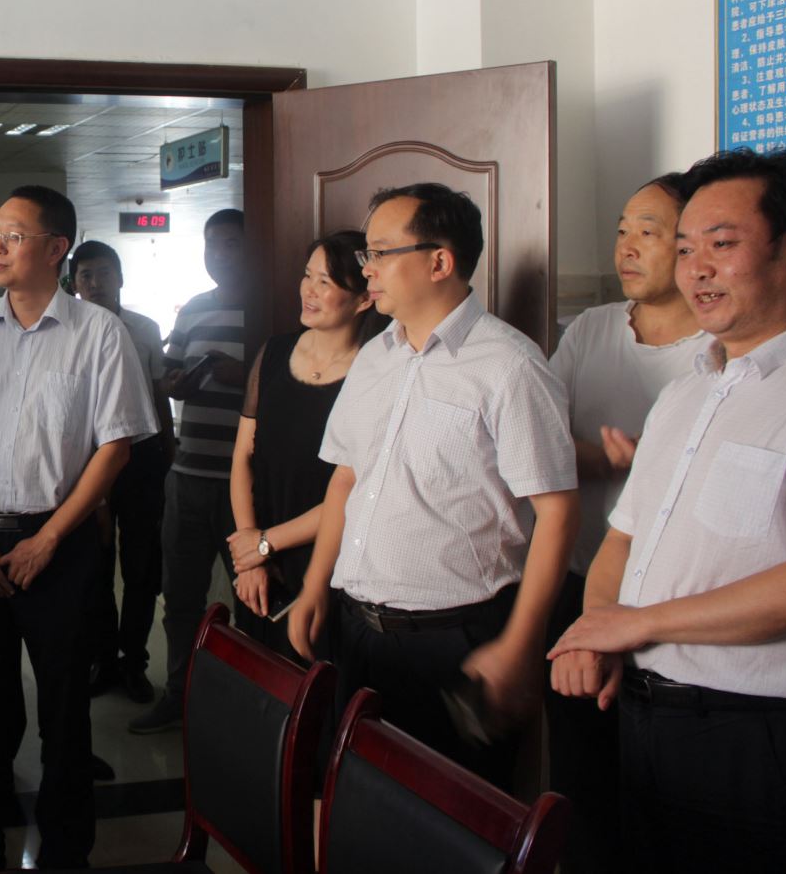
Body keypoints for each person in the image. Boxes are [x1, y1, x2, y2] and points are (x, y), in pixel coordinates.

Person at [550, 148, 786, 873]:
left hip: (755, 735)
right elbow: (623, 538)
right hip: (640, 712)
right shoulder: (686, 392)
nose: (697, 269)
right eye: (688, 248)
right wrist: (596, 630)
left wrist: (635, 624)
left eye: (721, 245)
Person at [287, 183, 579, 789]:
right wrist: (316, 584)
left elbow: (556, 513)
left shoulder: (510, 366)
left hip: (454, 640)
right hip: (357, 629)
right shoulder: (377, 356)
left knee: (450, 812)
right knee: (356, 798)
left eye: (380, 253)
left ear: (439, 261)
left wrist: (521, 645)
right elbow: (347, 477)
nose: (367, 269)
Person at [0, 186, 156, 874]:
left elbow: (116, 447)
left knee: (66, 714)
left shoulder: (98, 333)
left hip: (61, 544)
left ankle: (65, 854)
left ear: (56, 248)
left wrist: (48, 540)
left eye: (12, 234)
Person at [543, 172, 706, 872]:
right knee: (582, 785)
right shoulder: (592, 328)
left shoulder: (719, 347)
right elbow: (537, 441)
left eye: (649, 232)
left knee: (668, 800)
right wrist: (607, 459)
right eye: (621, 230)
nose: (627, 247)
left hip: (673, 604)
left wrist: (654, 466)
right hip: (582, 583)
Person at [227, 230, 388, 659]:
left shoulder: (375, 374)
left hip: (328, 562)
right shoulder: (274, 352)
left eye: (325, 282)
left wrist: (266, 542)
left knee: (318, 685)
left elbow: (353, 488)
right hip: (258, 563)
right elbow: (243, 456)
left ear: (363, 299)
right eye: (307, 275)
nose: (308, 290)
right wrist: (250, 552)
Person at [130, 207, 247, 734]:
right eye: (211, 244)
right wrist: (180, 382)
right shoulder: (194, 309)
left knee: (256, 599)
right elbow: (169, 378)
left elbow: (295, 384)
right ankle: (179, 695)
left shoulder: (272, 307)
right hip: (189, 475)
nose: (219, 253)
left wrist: (246, 374)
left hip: (246, 486)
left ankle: (257, 707)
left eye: (231, 243)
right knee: (179, 596)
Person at [70, 239, 174, 704]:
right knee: (94, 563)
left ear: (121, 279)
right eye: (86, 275)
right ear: (74, 284)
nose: (95, 283)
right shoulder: (66, 332)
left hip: (141, 457)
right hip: (85, 460)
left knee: (140, 566)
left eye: (104, 273)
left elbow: (158, 396)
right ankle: (103, 659)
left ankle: (134, 661)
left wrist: (167, 455)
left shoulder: (144, 329)